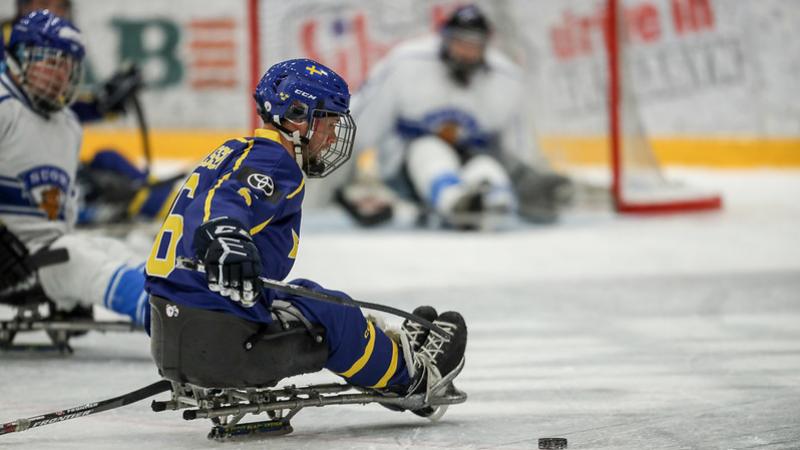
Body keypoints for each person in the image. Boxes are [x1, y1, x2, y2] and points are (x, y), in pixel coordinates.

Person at [143, 58, 467, 413]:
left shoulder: (236, 152)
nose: (331, 138)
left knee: (304, 294)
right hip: (224, 342)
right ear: (296, 116)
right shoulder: (273, 161)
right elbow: (225, 203)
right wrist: (225, 234)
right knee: (332, 311)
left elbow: (215, 204)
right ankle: (415, 377)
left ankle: (387, 349)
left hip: (169, 335)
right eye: (327, 124)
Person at [347, 4, 573, 227]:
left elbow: (518, 146)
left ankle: (493, 199)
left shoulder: (506, 79)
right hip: (405, 173)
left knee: (485, 164)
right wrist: (345, 184)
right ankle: (455, 201)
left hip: (471, 159)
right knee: (428, 149)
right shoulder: (406, 64)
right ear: (444, 39)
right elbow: (361, 126)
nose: (467, 51)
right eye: (460, 42)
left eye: (474, 44)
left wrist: (530, 184)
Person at [0, 10, 148, 328]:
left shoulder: (67, 124)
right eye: (49, 62)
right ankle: (169, 318)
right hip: (12, 265)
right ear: (17, 59)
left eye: (66, 66)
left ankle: (187, 301)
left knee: (108, 247)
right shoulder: (3, 107)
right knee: (74, 257)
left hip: (42, 258)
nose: (59, 75)